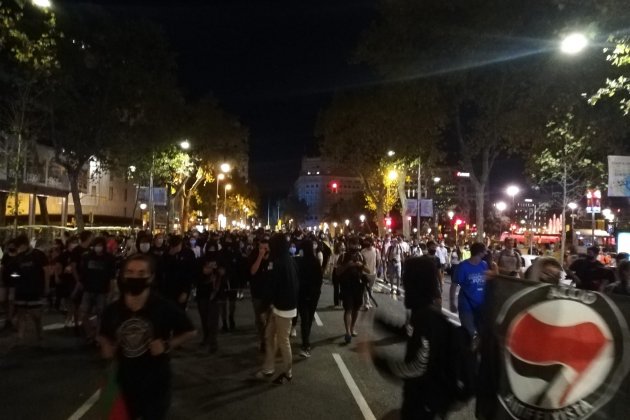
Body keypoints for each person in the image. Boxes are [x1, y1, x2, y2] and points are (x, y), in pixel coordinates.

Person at [98, 254, 195, 419]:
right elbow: (103, 334)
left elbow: (190, 331)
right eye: (130, 272)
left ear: (151, 277)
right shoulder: (113, 310)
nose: (135, 277)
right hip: (124, 380)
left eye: (141, 274)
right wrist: (106, 345)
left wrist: (167, 345)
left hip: (155, 381)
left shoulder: (163, 307)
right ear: (123, 275)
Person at [372, 257, 456, 420]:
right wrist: (381, 322)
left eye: (407, 279)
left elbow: (417, 367)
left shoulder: (426, 317)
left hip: (425, 403)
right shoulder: (422, 312)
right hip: (423, 400)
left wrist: (377, 359)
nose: (404, 284)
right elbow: (409, 331)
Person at [259, 233, 299, 385]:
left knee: (283, 341)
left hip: (283, 309)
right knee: (269, 335)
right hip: (282, 306)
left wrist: (263, 307)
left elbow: (271, 286)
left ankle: (287, 373)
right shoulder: (290, 260)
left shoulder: (276, 262)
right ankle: (269, 367)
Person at [79, 237, 116, 343]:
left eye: (100, 245)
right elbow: (83, 273)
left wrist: (111, 292)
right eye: (96, 245)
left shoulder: (109, 258)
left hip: (102, 291)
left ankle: (98, 336)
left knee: (101, 315)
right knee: (83, 313)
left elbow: (112, 277)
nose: (98, 248)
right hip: (88, 289)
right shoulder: (87, 257)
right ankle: (90, 333)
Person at [13, 235, 49, 343]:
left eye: (20, 246)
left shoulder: (38, 255)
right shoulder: (18, 257)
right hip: (21, 290)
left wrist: (46, 287)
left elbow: (46, 271)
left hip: (35, 289)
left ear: (25, 244)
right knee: (21, 313)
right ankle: (20, 337)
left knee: (36, 315)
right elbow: (15, 273)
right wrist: (15, 278)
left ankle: (39, 335)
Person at [450, 242, 488, 337]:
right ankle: (466, 350)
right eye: (485, 251)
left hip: (481, 306)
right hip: (466, 305)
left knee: (483, 333)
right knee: (469, 332)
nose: (486, 253)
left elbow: (488, 280)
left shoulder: (484, 265)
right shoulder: (462, 267)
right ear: (480, 253)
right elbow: (454, 285)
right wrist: (452, 302)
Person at [337, 237, 367, 344]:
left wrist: (361, 265)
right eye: (352, 244)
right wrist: (347, 265)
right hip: (346, 287)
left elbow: (368, 269)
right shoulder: (343, 256)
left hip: (358, 287)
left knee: (356, 309)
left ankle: (352, 327)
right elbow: (337, 272)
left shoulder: (361, 256)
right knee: (348, 309)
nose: (354, 247)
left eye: (356, 244)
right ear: (348, 244)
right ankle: (348, 331)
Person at [297, 239, 323, 358]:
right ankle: (306, 341)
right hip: (313, 294)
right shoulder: (315, 261)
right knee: (309, 317)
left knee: (304, 317)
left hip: (302, 293)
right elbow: (319, 279)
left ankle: (306, 343)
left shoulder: (300, 262)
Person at [249, 238, 272, 353]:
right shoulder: (254, 255)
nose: (263, 250)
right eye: (261, 248)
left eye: (265, 248)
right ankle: (262, 340)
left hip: (270, 294)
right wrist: (259, 257)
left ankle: (268, 341)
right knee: (260, 319)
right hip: (257, 293)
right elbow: (253, 271)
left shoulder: (273, 258)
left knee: (269, 319)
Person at [160, 235, 196, 309]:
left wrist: (186, 291)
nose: (175, 248)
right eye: (173, 246)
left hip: (182, 288)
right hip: (168, 289)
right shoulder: (167, 253)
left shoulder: (188, 253)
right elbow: (162, 269)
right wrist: (170, 256)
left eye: (177, 245)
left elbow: (191, 272)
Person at [1, 240, 19, 330]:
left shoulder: (19, 257)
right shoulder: (6, 256)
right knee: (3, 300)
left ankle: (9, 319)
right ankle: (8, 317)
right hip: (6, 280)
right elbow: (3, 268)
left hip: (14, 281)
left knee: (11, 300)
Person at [361, 237, 379, 311]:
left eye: (367, 241)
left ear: (371, 242)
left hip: (373, 273)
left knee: (370, 288)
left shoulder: (376, 251)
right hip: (364, 273)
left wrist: (377, 270)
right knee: (365, 289)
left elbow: (378, 260)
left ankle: (368, 302)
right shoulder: (363, 251)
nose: (366, 243)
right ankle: (366, 303)